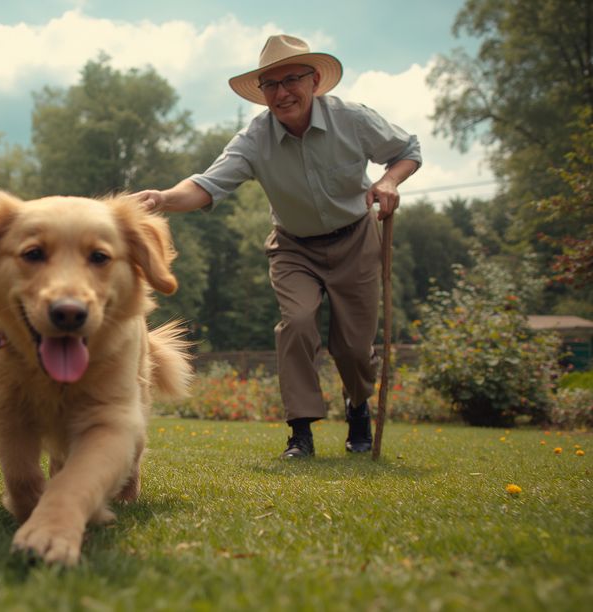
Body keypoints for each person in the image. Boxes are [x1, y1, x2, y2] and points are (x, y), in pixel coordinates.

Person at [133, 34, 421, 458]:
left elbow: (407, 149)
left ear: (315, 80)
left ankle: (357, 406)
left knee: (354, 347)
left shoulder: (352, 119)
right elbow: (207, 185)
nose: (283, 93)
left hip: (356, 237)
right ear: (262, 93)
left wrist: (388, 181)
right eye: (271, 84)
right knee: (298, 321)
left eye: (292, 80)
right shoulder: (254, 139)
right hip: (294, 246)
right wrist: (163, 198)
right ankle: (300, 432)